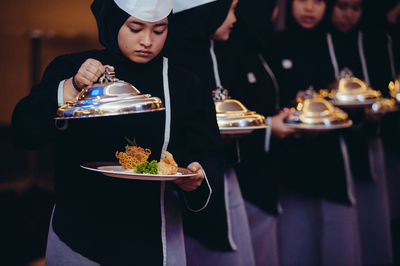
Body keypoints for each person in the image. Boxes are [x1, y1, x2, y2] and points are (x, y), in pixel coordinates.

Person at [11, 0, 225, 265]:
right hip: (78, 234)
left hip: (154, 237)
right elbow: (23, 132)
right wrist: (71, 88)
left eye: (159, 30)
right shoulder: (71, 68)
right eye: (136, 28)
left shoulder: (186, 83)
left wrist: (198, 176)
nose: (147, 41)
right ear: (113, 22)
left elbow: (210, 155)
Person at [270, 0, 363, 265]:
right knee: (295, 239)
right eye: (302, 0)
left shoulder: (335, 42)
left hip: (332, 151)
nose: (309, 8)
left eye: (318, 1)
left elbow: (351, 95)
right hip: (289, 155)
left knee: (338, 238)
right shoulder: (275, 43)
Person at [166, 0, 256, 265]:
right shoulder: (174, 59)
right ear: (209, 11)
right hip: (185, 180)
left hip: (224, 176)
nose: (234, 18)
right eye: (229, 9)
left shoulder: (219, 51)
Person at [214, 0, 294, 265]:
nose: (234, 18)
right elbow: (226, 120)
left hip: (264, 172)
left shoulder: (258, 47)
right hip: (242, 176)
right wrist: (269, 127)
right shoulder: (226, 55)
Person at [327, 0, 394, 264]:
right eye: (342, 7)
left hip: (371, 138)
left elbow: (386, 87)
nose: (349, 15)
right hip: (334, 145)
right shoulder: (323, 41)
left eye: (355, 9)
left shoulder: (373, 40)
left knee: (373, 214)